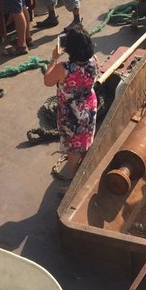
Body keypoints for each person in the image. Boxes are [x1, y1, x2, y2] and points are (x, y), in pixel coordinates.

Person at [44, 26, 99, 181]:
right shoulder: (94, 60)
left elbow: (47, 80)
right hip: (89, 106)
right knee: (86, 138)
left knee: (74, 148)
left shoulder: (64, 68)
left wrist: (54, 58)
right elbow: (96, 75)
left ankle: (74, 182)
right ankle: (86, 168)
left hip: (71, 113)